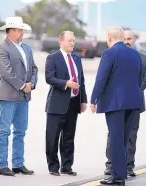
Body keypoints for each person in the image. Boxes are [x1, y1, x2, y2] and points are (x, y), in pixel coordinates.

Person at [90, 27, 142, 185]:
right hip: (133, 101)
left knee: (115, 139)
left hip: (115, 103)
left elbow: (101, 78)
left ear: (109, 36)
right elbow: (138, 78)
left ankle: (117, 177)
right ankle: (121, 173)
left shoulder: (109, 53)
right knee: (123, 140)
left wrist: (94, 99)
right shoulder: (134, 53)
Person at [0, 16, 38, 176]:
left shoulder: (26, 48)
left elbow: (34, 68)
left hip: (24, 96)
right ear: (11, 31)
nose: (22, 32)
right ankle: (2, 165)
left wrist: (31, 84)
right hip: (9, 95)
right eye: (20, 30)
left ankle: (18, 163)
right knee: (4, 130)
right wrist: (22, 85)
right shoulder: (1, 48)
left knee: (21, 131)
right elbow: (6, 71)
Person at [104, 30, 146, 177]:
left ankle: (129, 165)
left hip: (135, 103)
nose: (126, 41)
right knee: (113, 134)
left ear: (134, 39)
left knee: (131, 135)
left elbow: (145, 79)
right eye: (124, 39)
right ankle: (110, 165)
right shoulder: (113, 54)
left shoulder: (143, 58)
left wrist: (132, 94)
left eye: (129, 39)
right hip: (117, 103)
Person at [45, 31, 87, 176]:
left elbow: (81, 80)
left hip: (74, 104)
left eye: (74, 41)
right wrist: (66, 83)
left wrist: (83, 100)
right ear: (61, 41)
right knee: (53, 137)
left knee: (69, 138)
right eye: (69, 40)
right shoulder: (52, 58)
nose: (72, 43)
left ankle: (67, 166)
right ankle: (53, 167)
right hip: (57, 104)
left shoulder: (77, 58)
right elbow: (49, 78)